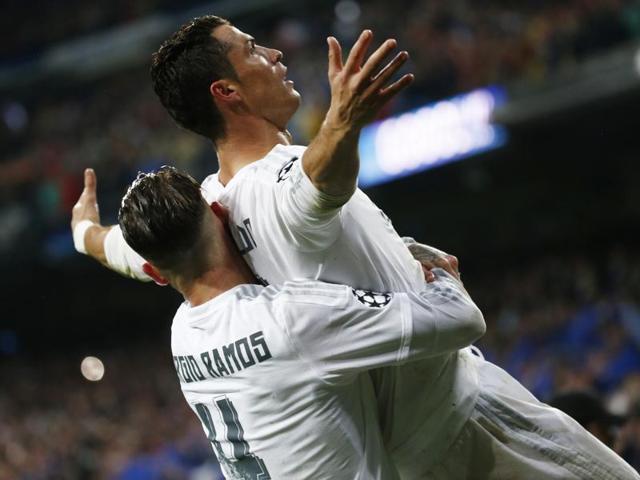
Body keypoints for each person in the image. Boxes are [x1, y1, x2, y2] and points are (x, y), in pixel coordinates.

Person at [72, 15, 640, 479]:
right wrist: (343, 124)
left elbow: (129, 251)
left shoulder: (205, 211)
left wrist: (86, 235)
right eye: (251, 50)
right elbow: (315, 190)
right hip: (462, 426)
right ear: (227, 92)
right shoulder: (277, 183)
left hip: (420, 443)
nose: (274, 53)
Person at [117, 166, 486, 480]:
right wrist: (425, 263)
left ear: (156, 274)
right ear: (218, 212)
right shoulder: (290, 318)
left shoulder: (181, 335)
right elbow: (461, 319)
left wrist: (85, 233)